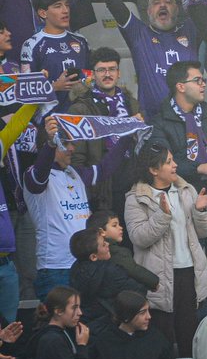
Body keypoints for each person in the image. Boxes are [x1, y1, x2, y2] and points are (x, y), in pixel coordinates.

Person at [124, 141, 207, 358]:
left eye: (173, 160)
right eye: (168, 162)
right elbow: (139, 237)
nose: (175, 165)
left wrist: (201, 211)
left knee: (191, 336)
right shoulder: (136, 197)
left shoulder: (186, 190)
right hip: (158, 278)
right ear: (153, 170)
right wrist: (162, 216)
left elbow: (206, 231)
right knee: (161, 338)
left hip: (190, 273)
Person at [23, 117, 132, 299]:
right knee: (59, 325)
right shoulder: (34, 174)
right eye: (65, 143)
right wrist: (50, 144)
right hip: (56, 268)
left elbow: (105, 169)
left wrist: (128, 135)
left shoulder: (75, 172)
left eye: (72, 143)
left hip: (85, 264)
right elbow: (40, 173)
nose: (72, 148)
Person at [91, 0, 199, 123]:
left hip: (190, 120)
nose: (162, 5)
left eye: (168, 2)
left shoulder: (190, 30)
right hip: (154, 122)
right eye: (156, 2)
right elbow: (113, 2)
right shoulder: (139, 34)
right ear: (148, 11)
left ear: (176, 9)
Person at [65, 47, 140, 210]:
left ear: (118, 72)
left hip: (134, 185)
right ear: (93, 73)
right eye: (101, 70)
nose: (107, 74)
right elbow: (76, 159)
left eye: (112, 69)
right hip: (103, 191)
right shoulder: (80, 109)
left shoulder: (131, 103)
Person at [89, 291, 184, 359]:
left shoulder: (156, 339)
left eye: (148, 311)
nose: (149, 316)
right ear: (127, 315)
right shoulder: (104, 341)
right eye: (142, 313)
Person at [150, 60, 207, 189]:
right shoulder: (160, 123)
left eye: (203, 81)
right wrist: (199, 168)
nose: (203, 85)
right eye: (197, 81)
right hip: (182, 188)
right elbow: (161, 161)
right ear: (181, 87)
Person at [20, 0, 89, 113]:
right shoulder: (31, 45)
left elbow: (91, 76)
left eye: (67, 5)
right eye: (58, 6)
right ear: (43, 13)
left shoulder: (81, 40)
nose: (65, 11)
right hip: (50, 120)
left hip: (82, 118)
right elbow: (26, 92)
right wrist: (54, 87)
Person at [67, 228, 146, 325]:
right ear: (93, 257)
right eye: (104, 244)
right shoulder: (111, 272)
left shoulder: (75, 268)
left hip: (87, 322)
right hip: (111, 323)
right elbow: (138, 291)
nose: (108, 244)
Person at [32, 286, 96, 359]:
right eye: (74, 308)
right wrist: (82, 346)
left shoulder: (62, 334)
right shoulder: (53, 340)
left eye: (79, 307)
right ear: (58, 311)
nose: (80, 313)